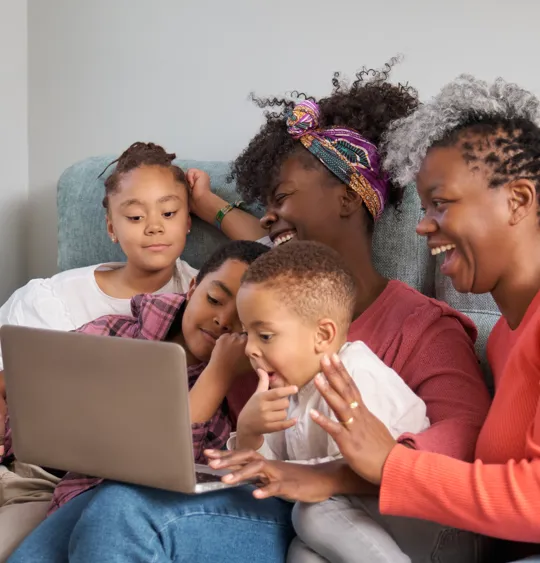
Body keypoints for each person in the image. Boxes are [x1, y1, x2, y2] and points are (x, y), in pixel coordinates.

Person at [12, 64, 491, 563]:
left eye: (281, 198)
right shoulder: (247, 308)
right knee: (53, 535)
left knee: (122, 510)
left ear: (348, 196)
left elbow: (464, 437)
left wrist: (338, 474)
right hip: (238, 481)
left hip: (329, 510)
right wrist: (208, 208)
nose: (267, 215)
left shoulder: (419, 324)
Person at [211, 75, 540, 563]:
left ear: (518, 200)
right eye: (424, 207)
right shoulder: (508, 337)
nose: (422, 225)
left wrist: (390, 463)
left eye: (442, 204)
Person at [7, 240, 269, 561]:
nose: (224, 320)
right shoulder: (118, 332)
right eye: (214, 299)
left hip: (156, 503)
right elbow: (40, 393)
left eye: (243, 317)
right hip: (84, 488)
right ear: (191, 288)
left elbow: (168, 463)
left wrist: (218, 374)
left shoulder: (243, 379)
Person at [0, 141, 197, 559]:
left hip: (119, 483)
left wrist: (215, 203)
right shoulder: (52, 297)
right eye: (134, 216)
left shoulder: (204, 300)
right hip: (33, 467)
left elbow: (273, 260)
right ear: (111, 227)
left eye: (169, 212)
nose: (154, 227)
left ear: (188, 222)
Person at [231, 240, 429, 563]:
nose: (249, 349)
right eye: (246, 334)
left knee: (311, 516)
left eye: (264, 336)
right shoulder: (289, 389)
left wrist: (283, 473)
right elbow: (270, 474)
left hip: (430, 531)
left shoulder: (357, 378)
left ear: (322, 336)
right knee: (301, 554)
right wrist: (249, 433)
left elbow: (370, 478)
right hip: (366, 535)